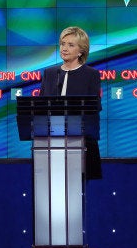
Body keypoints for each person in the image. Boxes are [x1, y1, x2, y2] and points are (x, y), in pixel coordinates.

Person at [40, 26, 102, 179]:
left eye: (70, 45)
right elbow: (40, 107)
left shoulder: (91, 75)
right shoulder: (49, 73)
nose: (64, 48)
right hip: (52, 143)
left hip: (81, 143)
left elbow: (94, 109)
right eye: (62, 44)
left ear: (81, 51)